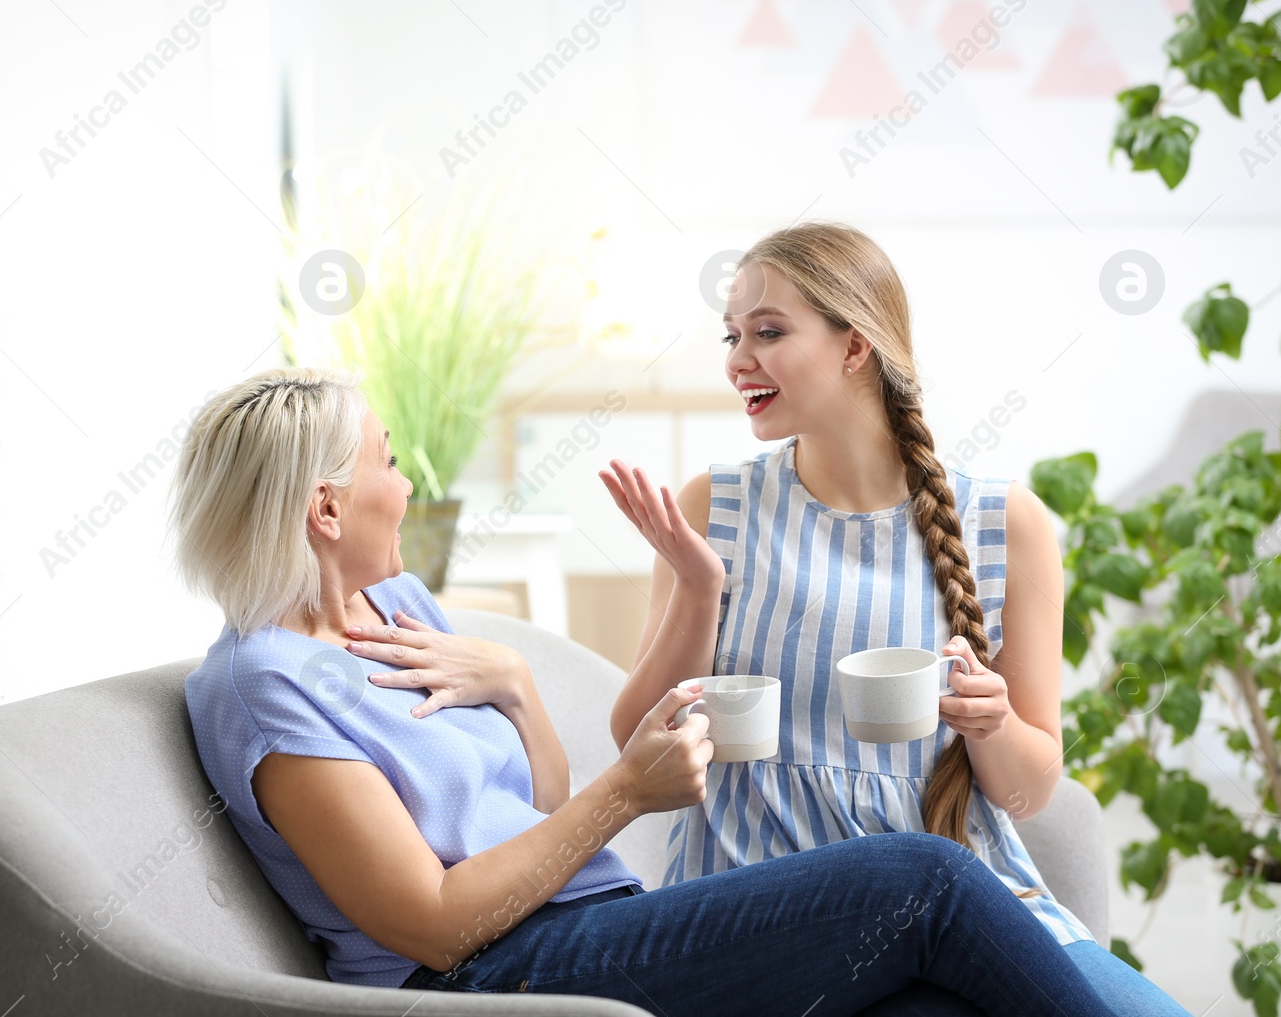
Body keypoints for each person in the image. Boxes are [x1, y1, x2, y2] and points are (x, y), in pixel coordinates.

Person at [172, 366, 1124, 1016]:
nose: (410, 482)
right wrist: (627, 789)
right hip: (490, 976)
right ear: (326, 508)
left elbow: (533, 802)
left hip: (587, 918)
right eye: (386, 460)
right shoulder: (268, 685)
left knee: (927, 1002)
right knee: (925, 879)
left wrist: (514, 684)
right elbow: (430, 920)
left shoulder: (392, 605)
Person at [601, 222, 1190, 1017]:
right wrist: (699, 589)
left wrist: (991, 726)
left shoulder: (1007, 523)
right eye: (733, 335)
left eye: (769, 332)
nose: (739, 358)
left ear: (855, 347)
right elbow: (635, 739)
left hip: (966, 905)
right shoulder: (716, 504)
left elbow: (1027, 794)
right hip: (760, 913)